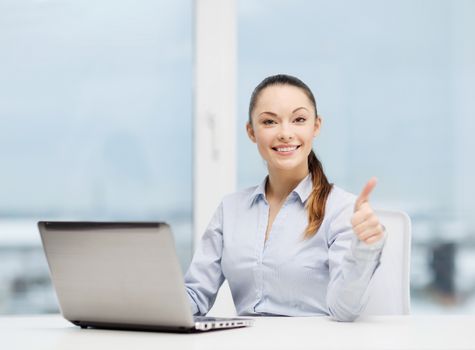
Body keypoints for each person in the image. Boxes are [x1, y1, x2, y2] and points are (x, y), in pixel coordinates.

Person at [184, 74, 386, 322]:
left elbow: (344, 310)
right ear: (251, 131)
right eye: (269, 122)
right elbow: (194, 295)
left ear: (316, 126)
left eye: (299, 119)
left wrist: (365, 249)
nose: (285, 133)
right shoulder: (231, 209)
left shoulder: (341, 209)